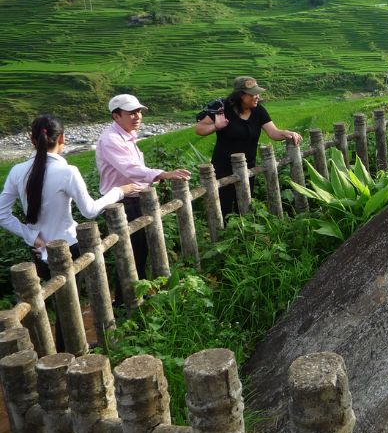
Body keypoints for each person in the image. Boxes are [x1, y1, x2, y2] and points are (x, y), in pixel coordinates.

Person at [0, 114, 139, 348]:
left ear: (31, 139)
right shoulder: (68, 172)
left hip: (37, 251)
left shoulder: (17, 171)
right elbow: (90, 210)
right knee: (70, 304)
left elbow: (2, 214)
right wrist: (119, 191)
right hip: (68, 247)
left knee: (48, 305)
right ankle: (71, 353)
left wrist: (32, 236)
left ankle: (54, 354)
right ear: (62, 138)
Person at [96, 94, 191, 283]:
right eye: (131, 113)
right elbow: (130, 169)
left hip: (134, 198)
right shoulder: (111, 140)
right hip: (122, 203)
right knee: (130, 252)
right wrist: (162, 174)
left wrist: (153, 180)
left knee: (140, 249)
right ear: (116, 116)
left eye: (139, 111)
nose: (137, 116)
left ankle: (139, 292)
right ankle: (126, 302)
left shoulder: (127, 136)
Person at [194, 76, 301, 216]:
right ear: (240, 95)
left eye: (258, 93)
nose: (257, 97)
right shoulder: (222, 109)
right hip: (223, 168)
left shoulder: (258, 111)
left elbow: (273, 132)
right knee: (224, 208)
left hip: (248, 167)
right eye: (252, 94)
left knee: (244, 206)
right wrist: (216, 126)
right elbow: (199, 129)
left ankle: (244, 235)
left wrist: (287, 133)